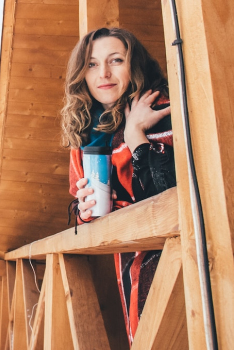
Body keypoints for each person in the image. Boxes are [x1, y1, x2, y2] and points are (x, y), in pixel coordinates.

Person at [61, 27, 176, 345]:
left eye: (116, 60)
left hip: (180, 257)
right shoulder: (86, 133)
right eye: (93, 64)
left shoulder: (161, 109)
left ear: (134, 64)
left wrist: (135, 135)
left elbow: (170, 193)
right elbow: (82, 206)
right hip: (130, 264)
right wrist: (84, 210)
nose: (104, 74)